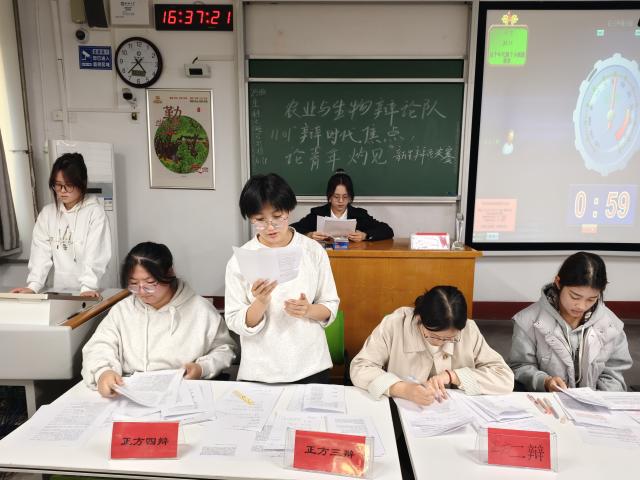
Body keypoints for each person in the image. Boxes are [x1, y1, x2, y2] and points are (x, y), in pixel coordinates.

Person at [82, 242, 237, 398]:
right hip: (130, 391)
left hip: (184, 391)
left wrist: (202, 368)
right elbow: (99, 346)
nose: (142, 291)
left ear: (169, 273)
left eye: (150, 283)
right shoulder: (123, 310)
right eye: (134, 284)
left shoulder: (200, 309)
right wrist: (103, 372)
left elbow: (224, 349)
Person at [225, 173, 340, 384]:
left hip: (310, 366)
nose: (270, 227)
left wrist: (308, 310)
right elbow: (234, 321)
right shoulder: (240, 260)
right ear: (250, 218)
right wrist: (260, 302)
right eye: (260, 220)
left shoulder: (312, 250)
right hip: (260, 370)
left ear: (288, 210)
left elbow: (330, 304)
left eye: (277, 217)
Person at [350, 286, 513, 406]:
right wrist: (403, 389)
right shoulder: (395, 324)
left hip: (454, 415)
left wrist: (453, 376)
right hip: (401, 413)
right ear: (419, 319)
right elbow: (361, 367)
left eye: (449, 338)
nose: (440, 343)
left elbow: (504, 377)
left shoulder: (468, 330)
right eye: (434, 336)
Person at [509, 251, 632, 392]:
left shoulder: (612, 325)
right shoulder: (528, 321)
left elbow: (614, 373)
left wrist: (601, 397)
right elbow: (520, 366)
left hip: (595, 404)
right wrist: (545, 382)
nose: (581, 306)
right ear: (558, 282)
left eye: (591, 299)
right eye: (575, 296)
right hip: (548, 401)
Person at [11, 153, 111, 297]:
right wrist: (33, 286)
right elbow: (40, 253)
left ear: (82, 183)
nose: (62, 191)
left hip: (92, 291)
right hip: (60, 291)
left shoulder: (95, 213)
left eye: (68, 185)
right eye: (58, 185)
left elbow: (96, 255)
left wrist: (88, 287)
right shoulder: (47, 214)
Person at [290, 169, 393, 242]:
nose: (341, 201)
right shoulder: (317, 214)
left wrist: (364, 235)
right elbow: (292, 229)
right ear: (329, 197)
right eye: (336, 196)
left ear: (350, 197)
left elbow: (387, 230)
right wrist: (309, 235)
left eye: (345, 197)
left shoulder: (359, 215)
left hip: (352, 258)